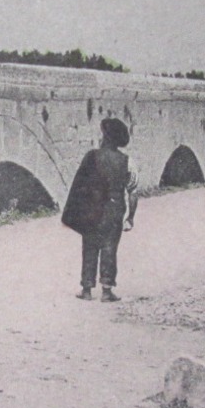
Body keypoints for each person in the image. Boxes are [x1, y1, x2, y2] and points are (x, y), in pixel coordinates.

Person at [61, 116, 138, 301]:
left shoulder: (91, 156)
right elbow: (133, 192)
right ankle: (106, 290)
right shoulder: (127, 161)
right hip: (114, 209)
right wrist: (131, 217)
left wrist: (75, 211)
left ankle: (86, 289)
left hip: (92, 208)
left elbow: (79, 185)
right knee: (110, 247)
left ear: (104, 137)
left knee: (89, 246)